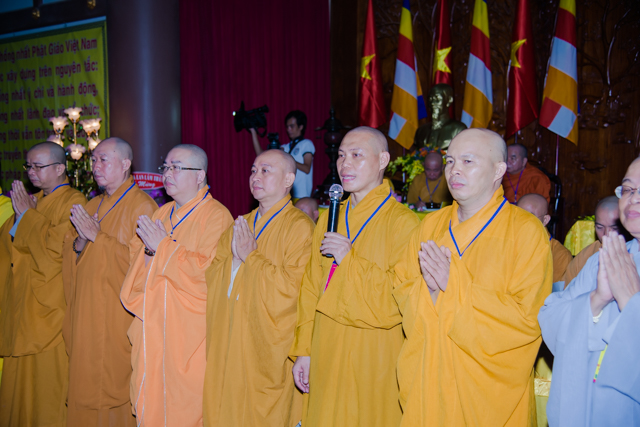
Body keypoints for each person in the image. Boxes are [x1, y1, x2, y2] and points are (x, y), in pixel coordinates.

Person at [394, 128, 552, 426]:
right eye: (451, 161)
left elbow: (528, 319)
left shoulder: (526, 231)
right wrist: (429, 291)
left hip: (487, 392)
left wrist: (451, 286)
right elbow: (401, 287)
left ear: (499, 170)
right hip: (429, 375)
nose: (454, 170)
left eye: (468, 161)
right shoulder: (430, 226)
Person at [290, 127, 420, 427]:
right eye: (341, 155)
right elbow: (310, 288)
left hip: (373, 349)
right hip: (326, 344)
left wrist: (349, 260)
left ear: (383, 160)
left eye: (356, 155)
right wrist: (304, 351)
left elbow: (399, 299)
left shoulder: (404, 223)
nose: (344, 164)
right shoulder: (329, 217)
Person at [121, 144, 232, 426]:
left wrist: (163, 248)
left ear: (200, 175)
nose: (167, 173)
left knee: (185, 405)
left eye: (176, 167)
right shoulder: (160, 214)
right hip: (153, 326)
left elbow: (210, 274)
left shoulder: (217, 216)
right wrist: (151, 252)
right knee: (151, 402)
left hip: (189, 334)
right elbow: (137, 262)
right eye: (166, 167)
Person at [204, 149, 314, 426]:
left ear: (288, 179)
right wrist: (235, 263)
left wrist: (250, 257)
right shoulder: (239, 225)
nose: (256, 176)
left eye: (266, 171)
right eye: (253, 170)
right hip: (232, 338)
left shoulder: (300, 227)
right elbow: (213, 276)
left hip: (269, 345)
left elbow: (293, 289)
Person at [62, 138, 158, 426]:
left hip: (117, 315)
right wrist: (81, 240)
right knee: (84, 381)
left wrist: (97, 237)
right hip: (86, 311)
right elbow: (72, 252)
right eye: (94, 160)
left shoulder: (142, 206)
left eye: (103, 160)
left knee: (112, 387)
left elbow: (143, 266)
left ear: (126, 164)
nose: (96, 166)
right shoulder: (92, 204)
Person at [538, 159, 640, 426]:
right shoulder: (601, 259)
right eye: (628, 189)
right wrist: (594, 302)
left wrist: (632, 303)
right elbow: (550, 316)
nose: (634, 199)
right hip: (586, 406)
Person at [0, 142, 86, 427]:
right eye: (29, 166)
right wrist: (22, 216)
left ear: (60, 168)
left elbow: (56, 252)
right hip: (23, 309)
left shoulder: (74, 201)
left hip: (49, 312)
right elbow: (10, 245)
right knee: (18, 391)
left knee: (47, 390)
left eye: (39, 166)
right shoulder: (33, 201)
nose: (31, 172)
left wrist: (27, 216)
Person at [250, 110, 315, 198]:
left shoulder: (306, 144)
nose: (288, 129)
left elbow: (306, 168)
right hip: (287, 195)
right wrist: (253, 131)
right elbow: (261, 155)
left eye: (292, 126)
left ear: (301, 127)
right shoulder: (286, 147)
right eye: (287, 127)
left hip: (302, 196)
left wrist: (287, 159)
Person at [562, 196, 621, 286]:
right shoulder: (586, 256)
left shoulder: (634, 251)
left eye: (614, 228)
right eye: (599, 227)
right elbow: (567, 289)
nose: (606, 234)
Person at [517, 193, 573, 283]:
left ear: (545, 220)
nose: (522, 222)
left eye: (529, 217)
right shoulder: (506, 244)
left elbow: (555, 289)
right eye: (518, 216)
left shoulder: (560, 255)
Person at [413, 83, 466, 151]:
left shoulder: (458, 130)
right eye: (430, 99)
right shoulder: (421, 131)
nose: (432, 103)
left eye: (437, 99)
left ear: (449, 100)